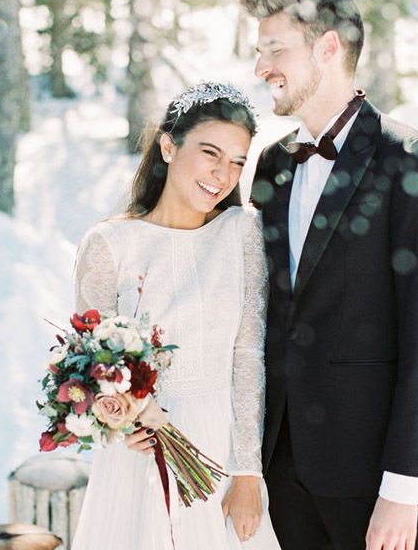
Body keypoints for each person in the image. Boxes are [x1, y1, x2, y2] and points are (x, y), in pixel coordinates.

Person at [241, 0, 418, 550]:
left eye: (274, 49)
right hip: (277, 472)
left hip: (370, 479)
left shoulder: (410, 160)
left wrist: (404, 486)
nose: (261, 67)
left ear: (328, 47)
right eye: (258, 52)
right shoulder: (271, 166)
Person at [70, 82, 282, 550]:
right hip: (140, 452)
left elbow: (248, 355)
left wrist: (248, 471)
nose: (222, 174)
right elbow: (90, 366)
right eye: (210, 153)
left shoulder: (243, 232)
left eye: (237, 162)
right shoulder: (108, 246)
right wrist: (126, 417)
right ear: (168, 146)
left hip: (221, 444)